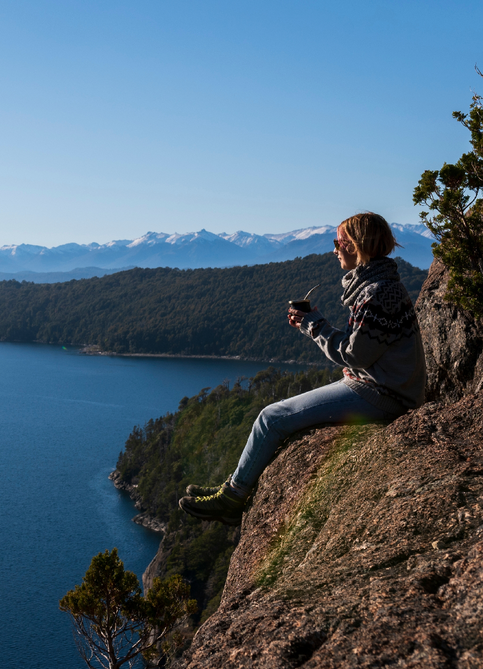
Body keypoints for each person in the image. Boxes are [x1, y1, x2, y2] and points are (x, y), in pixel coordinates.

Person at [179, 212, 426, 525]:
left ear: (355, 245)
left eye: (338, 242)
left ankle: (232, 498)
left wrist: (314, 325)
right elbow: (365, 348)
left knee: (271, 418)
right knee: (276, 416)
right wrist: (315, 325)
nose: (334, 249)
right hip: (380, 385)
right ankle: (233, 485)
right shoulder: (379, 285)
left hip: (383, 394)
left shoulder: (378, 291)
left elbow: (355, 355)